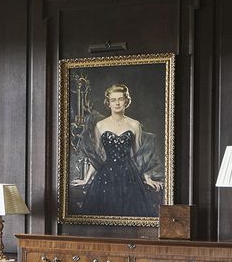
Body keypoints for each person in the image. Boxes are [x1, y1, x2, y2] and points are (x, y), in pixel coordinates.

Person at [70, 84, 163, 217]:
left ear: (126, 101)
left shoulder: (134, 124)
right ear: (108, 103)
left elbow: (139, 155)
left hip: (129, 175)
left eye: (120, 99)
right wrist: (86, 179)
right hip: (106, 175)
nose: (117, 103)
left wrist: (147, 177)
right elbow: (97, 156)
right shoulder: (100, 125)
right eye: (113, 100)